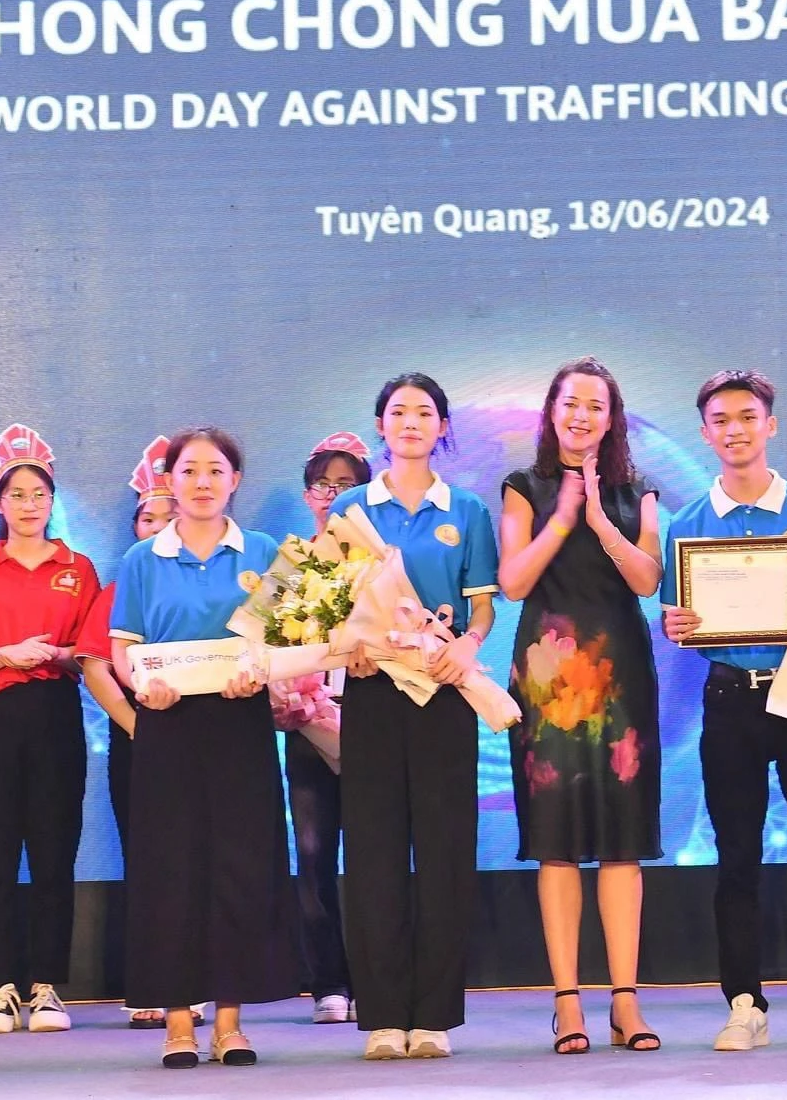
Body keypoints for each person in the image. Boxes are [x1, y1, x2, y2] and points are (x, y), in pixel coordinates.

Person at [659, 369, 787, 1053]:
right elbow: (676, 620)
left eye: (748, 416)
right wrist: (677, 625)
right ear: (705, 433)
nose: (736, 430)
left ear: (770, 424)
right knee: (736, 856)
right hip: (729, 699)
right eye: (721, 420)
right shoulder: (689, 523)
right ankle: (744, 1002)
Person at [107, 425, 299, 1068]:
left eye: (216, 470)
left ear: (235, 480)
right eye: (189, 470)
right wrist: (144, 685)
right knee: (171, 869)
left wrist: (262, 672)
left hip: (240, 722)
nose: (202, 482)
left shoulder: (265, 551)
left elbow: (284, 638)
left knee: (240, 866)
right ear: (169, 480)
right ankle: (178, 1023)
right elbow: (123, 647)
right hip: (168, 725)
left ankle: (230, 1023)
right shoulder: (143, 560)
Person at [330, 374, 499, 1061]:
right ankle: (381, 1014)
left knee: (444, 853)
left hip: (443, 693)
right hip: (372, 693)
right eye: (398, 411)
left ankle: (433, 1015)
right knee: (372, 854)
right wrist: (347, 646)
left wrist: (468, 645)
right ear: (380, 425)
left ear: (442, 427)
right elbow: (328, 601)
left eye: (424, 412)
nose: (410, 422)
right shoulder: (350, 508)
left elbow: (481, 606)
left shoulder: (467, 510)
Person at [498, 357, 664, 1055]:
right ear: (551, 410)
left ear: (612, 417)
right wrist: (563, 518)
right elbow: (512, 582)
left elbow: (648, 579)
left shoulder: (638, 491)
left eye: (596, 405)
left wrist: (599, 517)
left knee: (623, 841)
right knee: (557, 842)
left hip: (621, 675)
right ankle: (567, 1002)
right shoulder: (522, 486)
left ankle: (625, 1000)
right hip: (549, 680)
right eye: (571, 402)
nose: (582, 415)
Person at [0, 425, 100, 1035]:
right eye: (17, 495)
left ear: (52, 502)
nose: (29, 505)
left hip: (55, 714)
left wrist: (52, 655)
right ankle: (0, 987)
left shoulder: (77, 569)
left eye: (39, 494)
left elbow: (90, 655)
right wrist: (8, 654)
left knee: (55, 850)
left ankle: (48, 986)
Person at [75, 437, 182, 1030]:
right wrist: (136, 724)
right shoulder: (118, 590)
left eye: (169, 515)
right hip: (138, 736)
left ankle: (197, 982)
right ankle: (150, 982)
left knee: (198, 858)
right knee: (145, 857)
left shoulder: (211, 579)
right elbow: (95, 663)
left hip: (204, 737)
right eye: (148, 517)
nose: (158, 526)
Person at [273, 432, 369, 1025]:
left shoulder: (383, 563)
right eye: (322, 485)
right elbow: (268, 645)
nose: (332, 495)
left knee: (375, 855)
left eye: (346, 485)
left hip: (374, 724)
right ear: (308, 495)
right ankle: (328, 981)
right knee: (313, 856)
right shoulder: (291, 563)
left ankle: (377, 976)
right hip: (309, 728)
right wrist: (288, 694)